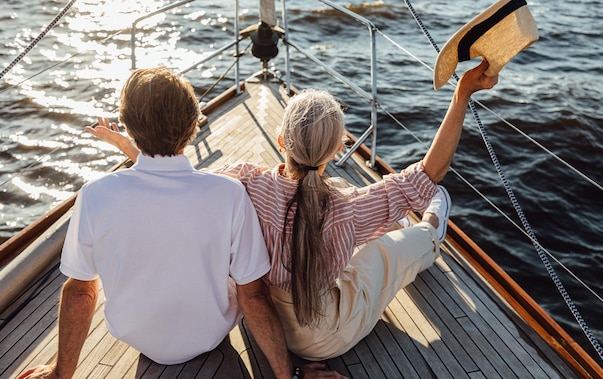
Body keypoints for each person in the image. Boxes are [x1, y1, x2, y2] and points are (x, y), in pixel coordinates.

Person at [70, 58, 498, 361]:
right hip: (321, 336)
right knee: (391, 251)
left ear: (280, 141)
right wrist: (461, 93)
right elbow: (429, 172)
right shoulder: (345, 207)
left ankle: (414, 228)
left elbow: (177, 177)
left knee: (375, 242)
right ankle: (431, 231)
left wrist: (131, 148)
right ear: (336, 149)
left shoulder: (243, 182)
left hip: (263, 328)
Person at [18, 67, 345, 379]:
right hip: (209, 335)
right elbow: (254, 297)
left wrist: (61, 373)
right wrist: (292, 374)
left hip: (136, 334)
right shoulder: (228, 194)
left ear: (129, 127)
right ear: (192, 126)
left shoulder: (95, 195)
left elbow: (80, 294)